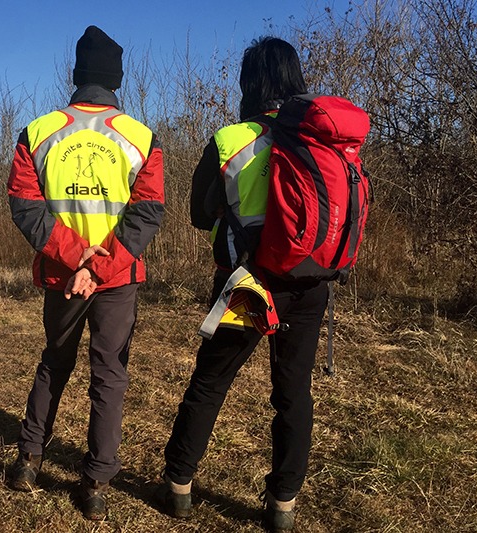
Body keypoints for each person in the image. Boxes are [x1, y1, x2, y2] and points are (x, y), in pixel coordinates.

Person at [156, 37, 327, 533]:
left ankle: (180, 486)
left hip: (248, 283)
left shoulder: (231, 140)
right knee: (294, 392)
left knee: (211, 380)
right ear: (295, 78)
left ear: (250, 84)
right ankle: (283, 506)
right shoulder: (321, 139)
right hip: (310, 283)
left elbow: (194, 214)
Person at [7, 25, 165, 521]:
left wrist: (77, 260)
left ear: (75, 76)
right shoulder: (141, 137)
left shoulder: (38, 132)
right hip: (116, 277)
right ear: (117, 79)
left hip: (63, 275)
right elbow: (148, 212)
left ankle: (29, 461)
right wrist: (99, 266)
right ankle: (96, 482)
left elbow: (25, 206)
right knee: (110, 375)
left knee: (54, 361)